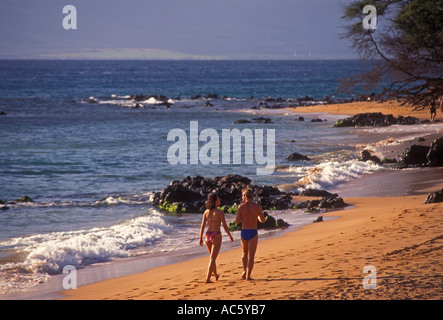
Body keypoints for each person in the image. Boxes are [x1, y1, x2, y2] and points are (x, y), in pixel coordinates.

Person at [199, 192, 233, 283]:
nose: (220, 200)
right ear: (215, 201)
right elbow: (225, 226)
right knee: (212, 258)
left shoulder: (206, 212)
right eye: (218, 198)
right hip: (216, 235)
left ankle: (215, 275)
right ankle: (207, 278)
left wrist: (201, 238)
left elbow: (202, 226)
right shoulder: (220, 213)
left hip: (208, 235)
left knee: (211, 257)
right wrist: (229, 235)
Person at [235, 188, 265, 280]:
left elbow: (237, 221)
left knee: (244, 253)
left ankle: (244, 270)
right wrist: (256, 218)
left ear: (245, 196)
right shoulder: (257, 207)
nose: (242, 197)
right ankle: (248, 276)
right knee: (251, 255)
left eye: (242, 195)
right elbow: (262, 220)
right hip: (253, 231)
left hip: (244, 231)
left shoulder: (241, 206)